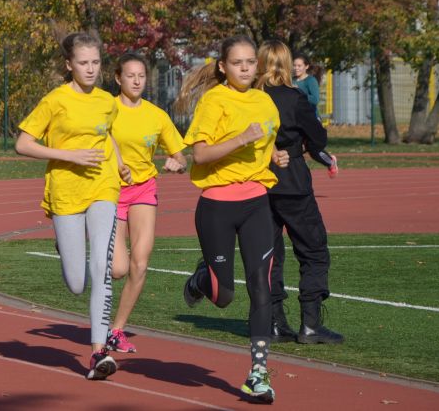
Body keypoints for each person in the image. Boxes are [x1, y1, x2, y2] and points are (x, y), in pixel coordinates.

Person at [15, 32, 130, 381]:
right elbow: (23, 144)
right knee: (77, 282)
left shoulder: (108, 101)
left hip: (103, 185)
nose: (91, 69)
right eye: (83, 62)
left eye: (95, 62)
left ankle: (98, 352)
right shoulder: (55, 100)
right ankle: (66, 249)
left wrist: (120, 163)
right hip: (65, 190)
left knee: (102, 267)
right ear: (69, 65)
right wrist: (69, 155)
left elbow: (107, 135)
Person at [176, 34, 283, 404]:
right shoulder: (214, 100)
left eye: (250, 62)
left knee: (261, 284)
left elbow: (265, 140)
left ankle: (258, 373)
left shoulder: (265, 102)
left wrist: (275, 156)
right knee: (223, 297)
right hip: (217, 205)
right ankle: (201, 278)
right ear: (223, 67)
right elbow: (201, 155)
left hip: (257, 203)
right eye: (237, 63)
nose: (245, 68)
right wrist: (240, 139)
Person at [256, 40, 344, 345]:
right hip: (292, 181)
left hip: (258, 181)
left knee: (268, 255)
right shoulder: (294, 98)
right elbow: (318, 138)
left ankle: (273, 322)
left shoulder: (252, 98)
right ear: (286, 63)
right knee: (313, 250)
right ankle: (310, 323)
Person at [106, 52, 187, 354]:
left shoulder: (157, 115)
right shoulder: (106, 109)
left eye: (141, 76)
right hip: (110, 191)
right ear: (118, 78)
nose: (137, 81)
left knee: (140, 264)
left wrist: (178, 164)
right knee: (118, 269)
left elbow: (181, 156)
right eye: (131, 76)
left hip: (143, 190)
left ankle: (116, 330)